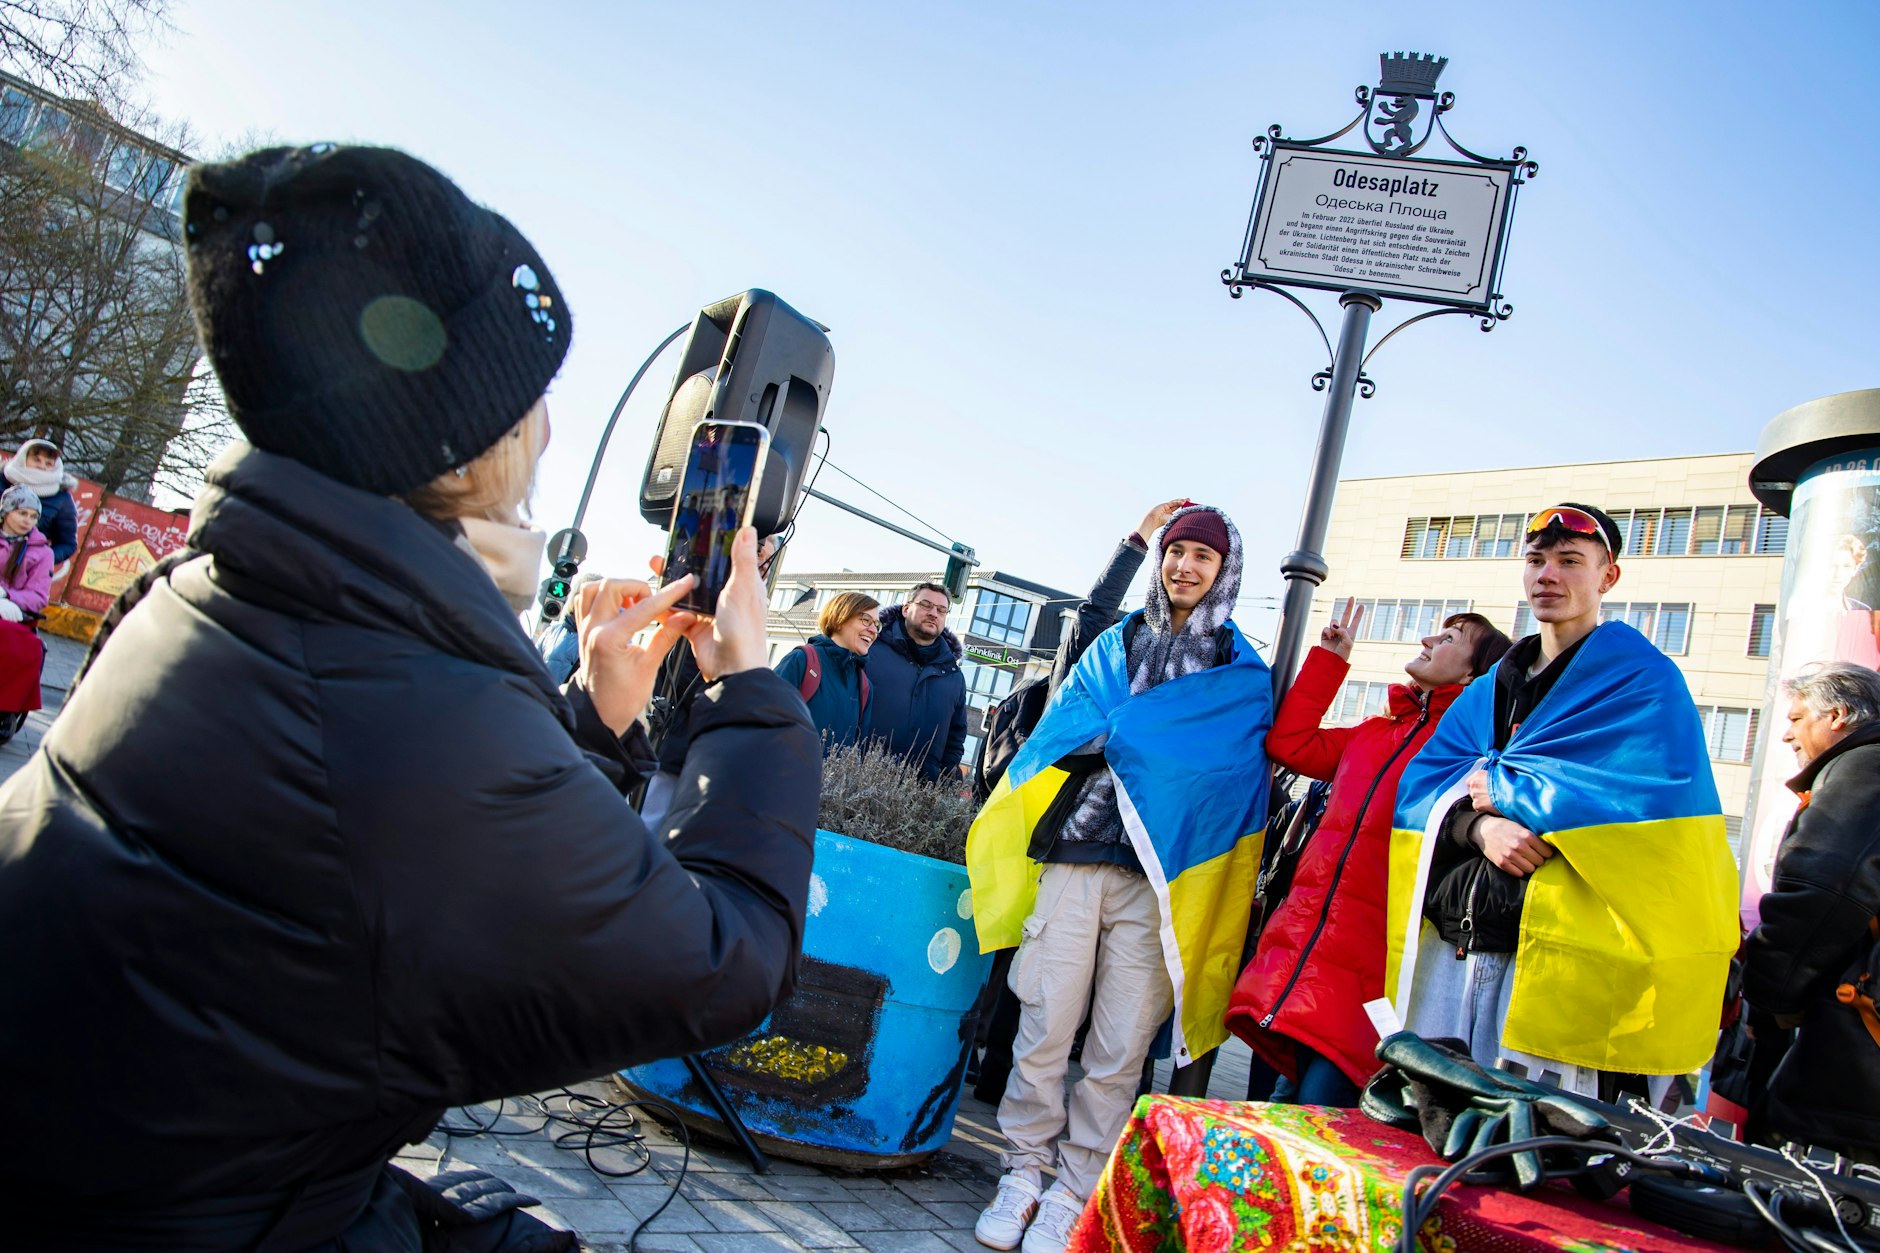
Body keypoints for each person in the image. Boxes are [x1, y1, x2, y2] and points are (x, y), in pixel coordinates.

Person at [0, 144, 822, 1251]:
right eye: (529, 395)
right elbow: (720, 965)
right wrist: (752, 695)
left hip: (154, 1168)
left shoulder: (203, 590)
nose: (545, 429)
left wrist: (584, 718)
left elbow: (372, 880)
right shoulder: (405, 706)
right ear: (467, 434)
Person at [966, 505, 1272, 1253]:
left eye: (1203, 555)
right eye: (1177, 551)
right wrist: (1129, 738)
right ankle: (1023, 1170)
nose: (1186, 567)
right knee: (1043, 1024)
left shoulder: (1239, 670)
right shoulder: (1116, 642)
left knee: (1120, 1046)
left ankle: (1077, 1185)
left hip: (1162, 879)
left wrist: (1137, 740)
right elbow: (1068, 723)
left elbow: (1231, 774)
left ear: (1225, 569)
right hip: (1076, 852)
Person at [1385, 503, 1738, 1101]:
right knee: (1431, 1122)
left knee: (1535, 1145)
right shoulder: (1488, 687)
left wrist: (1505, 789)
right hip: (1454, 953)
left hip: (1557, 965)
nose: (1547, 575)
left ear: (1608, 577)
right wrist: (1477, 830)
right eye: (1536, 560)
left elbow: (1653, 815)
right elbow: (1420, 791)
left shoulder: (1645, 682)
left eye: (1570, 561)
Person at [1225, 601, 1511, 1106]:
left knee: (1321, 1111)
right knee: (1280, 1102)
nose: (1427, 641)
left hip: (1374, 968)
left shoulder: (1467, 749)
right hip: (1309, 949)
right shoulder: (1376, 733)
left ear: (1474, 673)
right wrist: (1330, 660)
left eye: (1449, 639)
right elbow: (1291, 745)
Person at [966, 498, 1185, 1102]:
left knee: (1123, 1004)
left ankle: (1105, 1109)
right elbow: (1094, 614)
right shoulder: (1086, 669)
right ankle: (996, 1082)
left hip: (1141, 855)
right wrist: (1136, 543)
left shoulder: (1184, 681)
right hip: (1062, 839)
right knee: (1035, 976)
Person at [1743, 662, 1880, 1163]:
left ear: (1838, 716)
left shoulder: (1866, 767)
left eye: (1797, 719)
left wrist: (1768, 999)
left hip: (1855, 1058)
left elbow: (1819, 891)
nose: (1785, 735)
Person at [640, 534, 782, 832]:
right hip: (675, 745)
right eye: (758, 547)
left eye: (766, 552)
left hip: (700, 752)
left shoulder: (748, 609)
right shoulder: (705, 598)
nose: (760, 558)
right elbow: (680, 674)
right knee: (650, 825)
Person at [866, 580, 967, 782]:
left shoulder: (954, 676)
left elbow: (955, 739)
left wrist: (942, 780)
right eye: (925, 605)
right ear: (905, 609)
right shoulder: (870, 649)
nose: (933, 613)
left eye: (941, 610)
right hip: (859, 779)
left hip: (918, 795)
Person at [774, 590, 879, 753]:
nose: (873, 630)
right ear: (839, 619)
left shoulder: (864, 686)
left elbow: (857, 753)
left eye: (877, 625)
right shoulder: (801, 661)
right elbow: (763, 722)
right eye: (866, 620)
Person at [0, 484, 51, 738]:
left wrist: (9, 597)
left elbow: (39, 596)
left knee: (22, 645)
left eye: (33, 516)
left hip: (15, 615)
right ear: (7, 511)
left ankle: (5, 711)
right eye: (22, 513)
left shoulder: (42, 553)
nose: (27, 521)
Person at [4, 437, 78, 565]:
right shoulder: (3, 479)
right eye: (36, 459)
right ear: (23, 458)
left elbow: (67, 544)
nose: (42, 466)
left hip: (16, 572)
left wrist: (37, 560)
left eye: (48, 464)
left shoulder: (61, 498)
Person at [539, 569, 604, 685]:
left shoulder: (600, 640)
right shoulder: (552, 632)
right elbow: (529, 666)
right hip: (538, 698)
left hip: (569, 702)